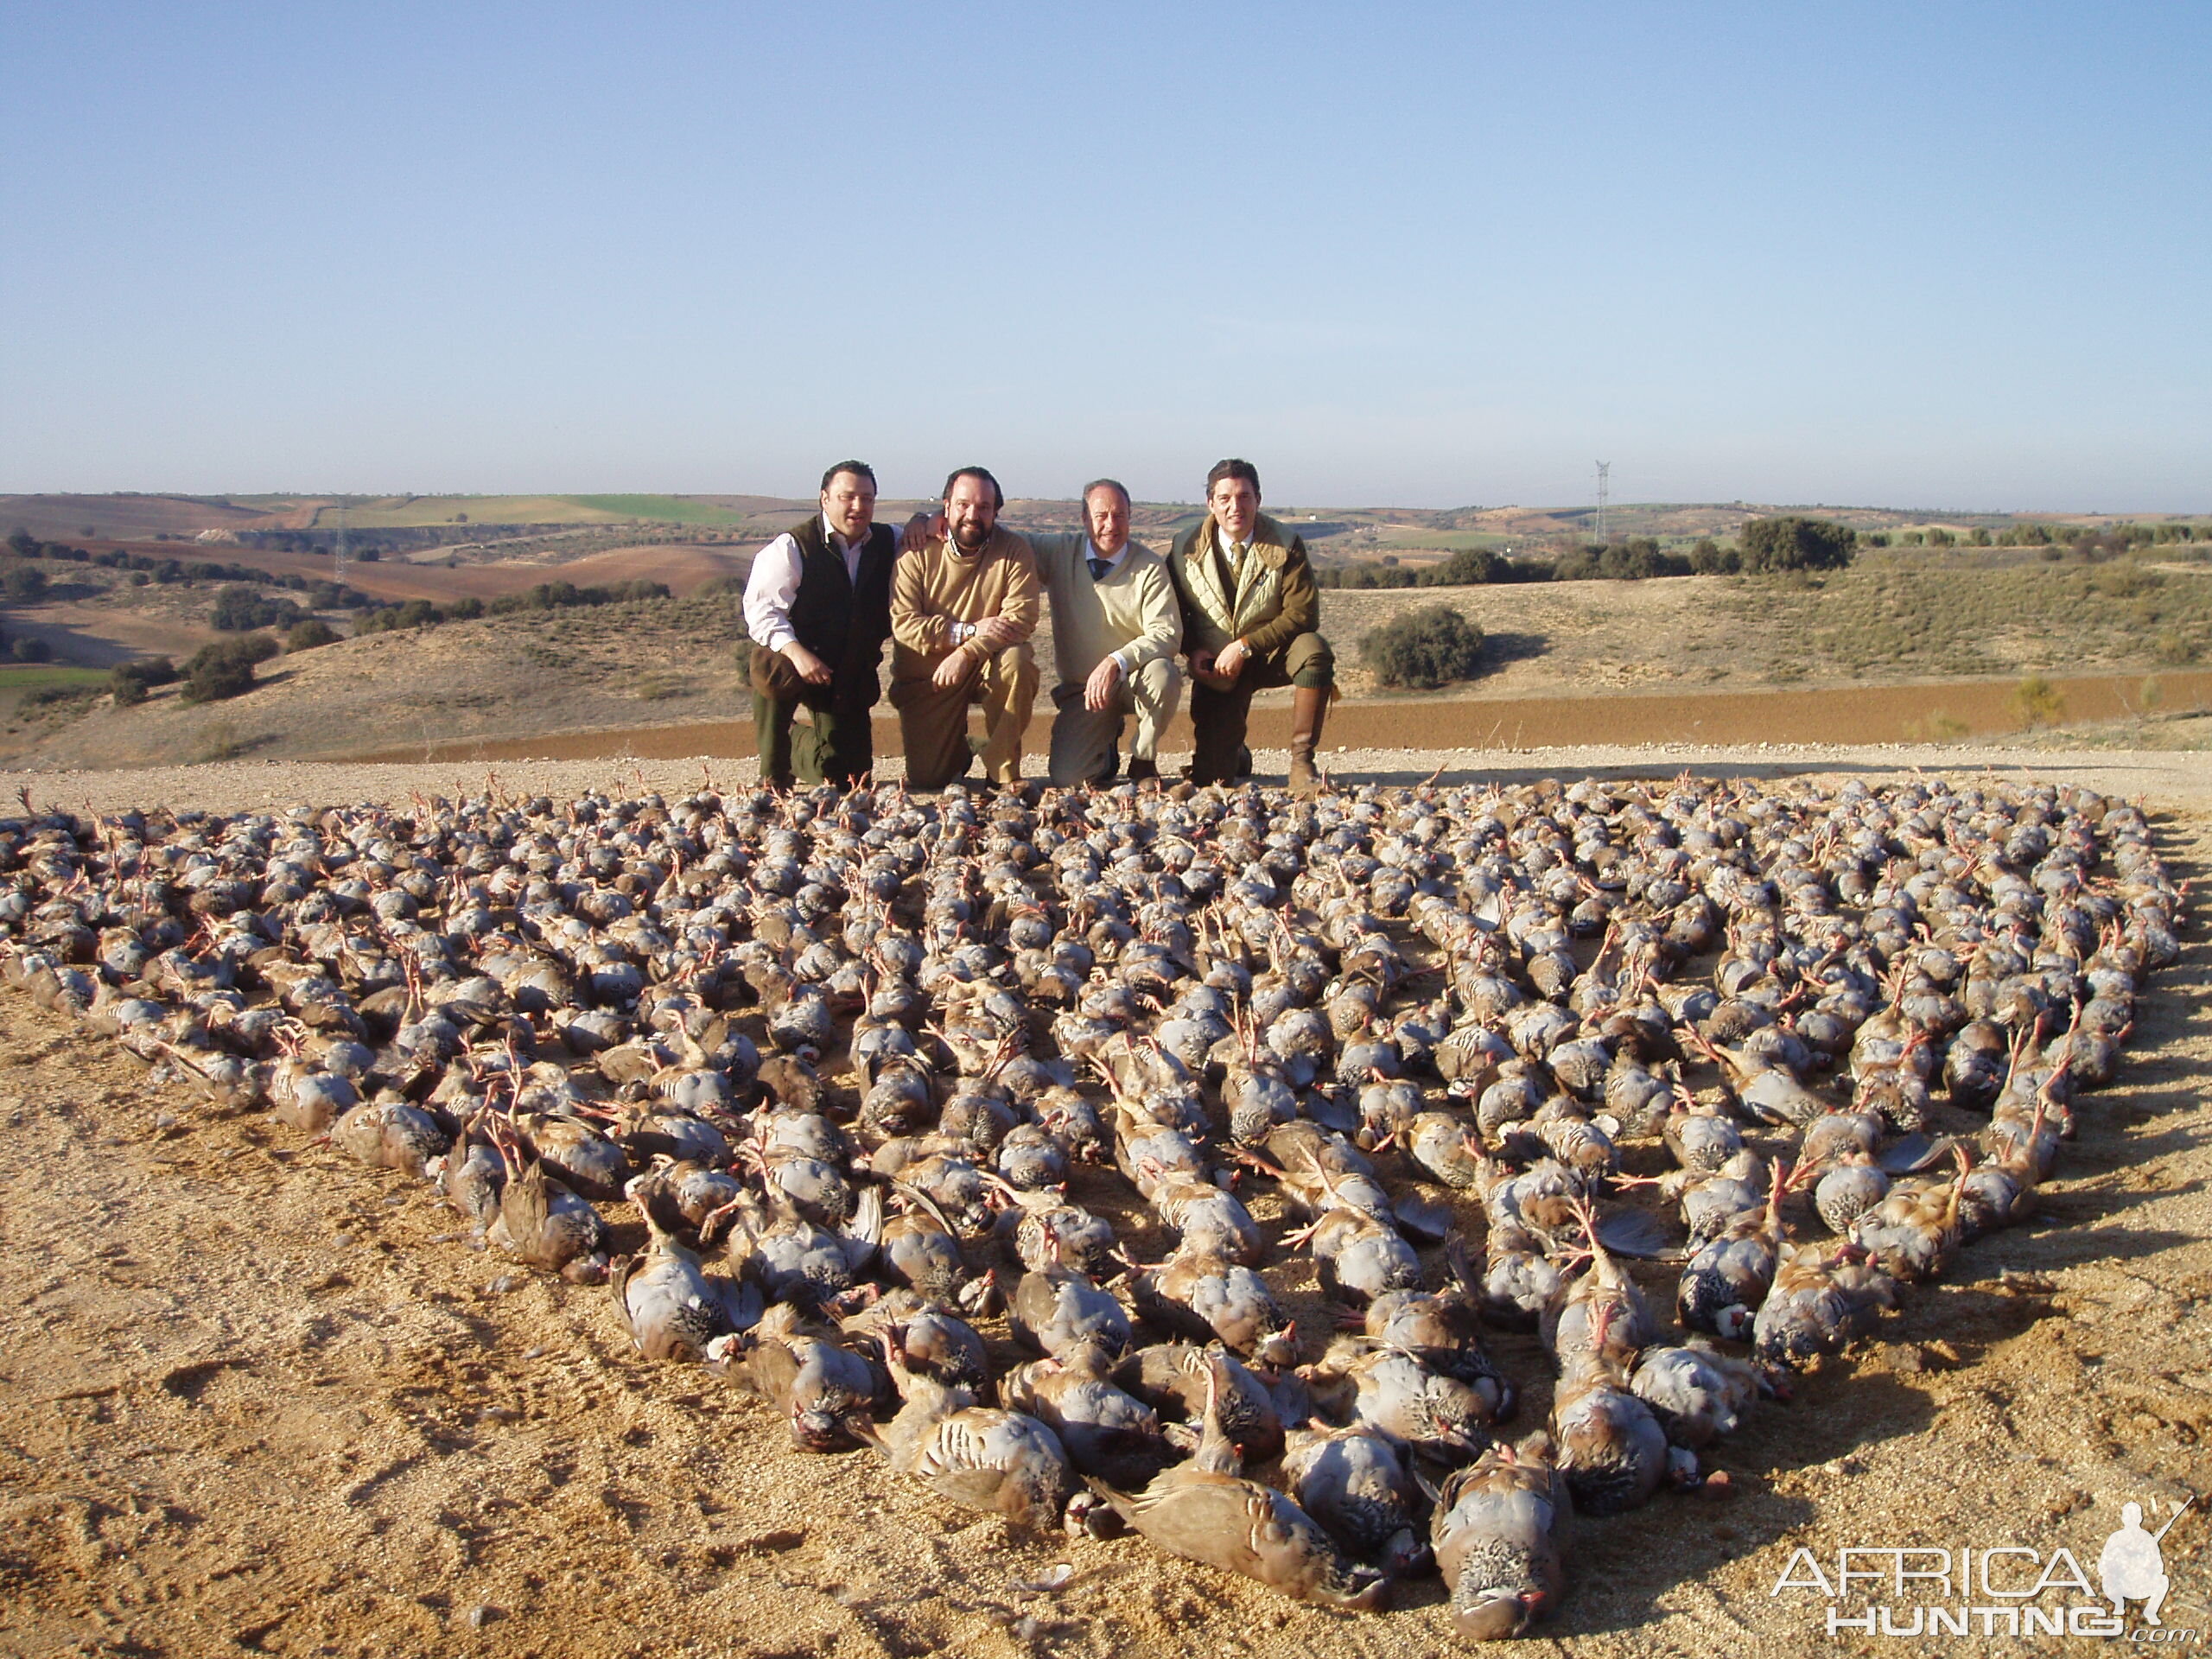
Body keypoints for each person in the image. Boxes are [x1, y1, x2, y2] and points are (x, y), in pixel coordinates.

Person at [1166, 457, 1334, 794]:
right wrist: (1193, 649)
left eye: (1244, 497)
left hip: (1272, 654)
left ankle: (1303, 763)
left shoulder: (1286, 543)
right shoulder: (1184, 547)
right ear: (1210, 503)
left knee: (1314, 650)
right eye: (1225, 498)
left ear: (1258, 499)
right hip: (1220, 667)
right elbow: (1171, 612)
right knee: (1213, 778)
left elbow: (1303, 614)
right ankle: (1235, 754)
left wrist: (1245, 645)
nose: (1235, 507)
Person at [741, 461, 899, 789]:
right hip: (796, 665)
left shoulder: (890, 541)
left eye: (867, 498)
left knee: (848, 781)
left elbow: (929, 532)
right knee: (773, 667)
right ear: (824, 499)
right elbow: (761, 611)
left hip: (847, 674)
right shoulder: (792, 547)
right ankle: (774, 765)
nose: (858, 506)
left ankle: (797, 739)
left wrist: (926, 521)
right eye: (848, 497)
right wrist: (797, 652)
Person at [1020, 479, 1183, 785]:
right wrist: (929, 521)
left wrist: (1116, 662)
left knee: (1164, 674)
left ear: (1130, 517)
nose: (1111, 525)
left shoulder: (1149, 567)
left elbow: (1166, 632)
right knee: (1069, 779)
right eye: (1101, 516)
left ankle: (1143, 759)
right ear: (1084, 518)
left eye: (1120, 515)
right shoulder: (1059, 552)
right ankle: (1105, 749)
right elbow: (1006, 541)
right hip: (1084, 690)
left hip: (1134, 678)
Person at [887, 466, 1041, 789]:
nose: (973, 514)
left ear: (996, 512)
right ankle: (962, 749)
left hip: (986, 663)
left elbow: (1021, 620)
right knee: (929, 779)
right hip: (930, 676)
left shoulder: (1014, 551)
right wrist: (969, 632)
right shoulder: (916, 552)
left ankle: (1001, 773)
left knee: (1017, 662)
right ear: (946, 506)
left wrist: (967, 653)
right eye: (963, 505)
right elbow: (905, 626)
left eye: (984, 507)